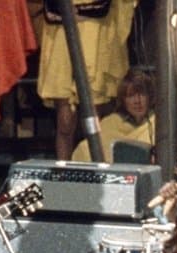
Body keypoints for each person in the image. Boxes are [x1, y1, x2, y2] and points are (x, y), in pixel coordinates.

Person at [35, 0, 133, 160]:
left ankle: (97, 168)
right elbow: (51, 10)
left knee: (94, 122)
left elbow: (102, 7)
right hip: (61, 38)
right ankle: (64, 171)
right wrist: (73, 13)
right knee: (65, 121)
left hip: (96, 37)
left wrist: (75, 12)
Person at [71, 66, 154, 162]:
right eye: (131, 96)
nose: (137, 101)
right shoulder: (110, 123)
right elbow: (86, 148)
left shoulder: (157, 123)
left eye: (142, 94)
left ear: (150, 97)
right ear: (123, 100)